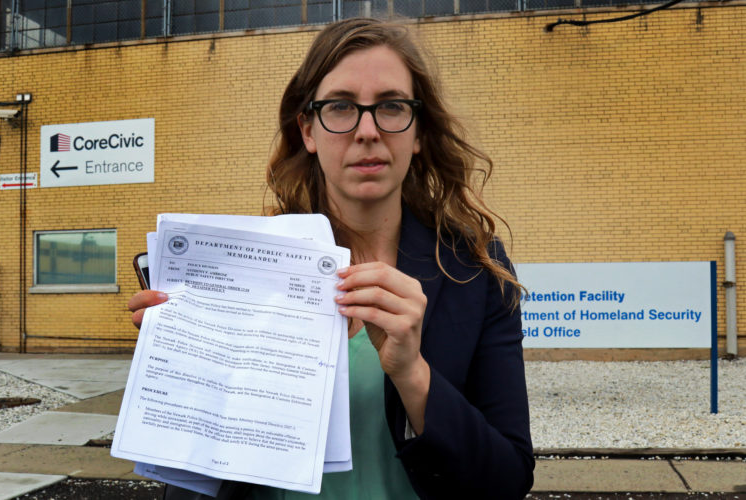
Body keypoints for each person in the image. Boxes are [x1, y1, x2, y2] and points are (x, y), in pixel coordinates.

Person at [129, 17, 533, 499]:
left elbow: (506, 480)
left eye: (391, 107)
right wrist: (188, 361)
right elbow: (202, 471)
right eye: (340, 107)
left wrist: (412, 374)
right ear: (308, 129)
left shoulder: (475, 270)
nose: (367, 131)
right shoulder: (244, 270)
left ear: (418, 131)